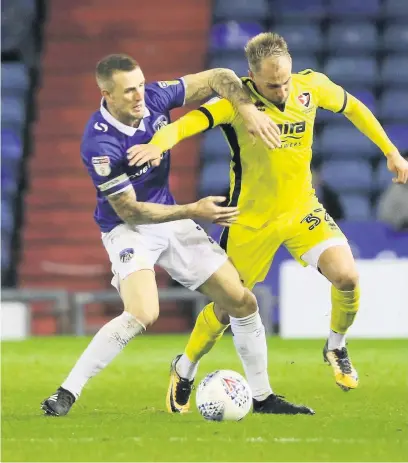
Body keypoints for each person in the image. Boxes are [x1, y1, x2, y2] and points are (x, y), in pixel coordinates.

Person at [126, 32, 408, 413]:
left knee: (348, 277)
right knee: (228, 309)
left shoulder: (311, 88)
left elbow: (354, 107)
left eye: (285, 81)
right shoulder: (234, 104)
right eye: (272, 84)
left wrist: (391, 153)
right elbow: (186, 125)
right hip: (251, 222)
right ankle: (185, 367)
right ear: (251, 77)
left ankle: (336, 346)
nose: (281, 90)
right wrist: (157, 145)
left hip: (301, 210)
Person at [41, 53, 313, 416]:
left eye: (140, 85)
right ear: (105, 93)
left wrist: (247, 111)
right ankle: (66, 392)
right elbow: (131, 210)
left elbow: (219, 76)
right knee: (142, 312)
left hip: (171, 219)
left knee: (243, 302)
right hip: (129, 230)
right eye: (128, 92)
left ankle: (262, 398)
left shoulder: (154, 98)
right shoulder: (99, 144)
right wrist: (193, 210)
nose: (140, 96)